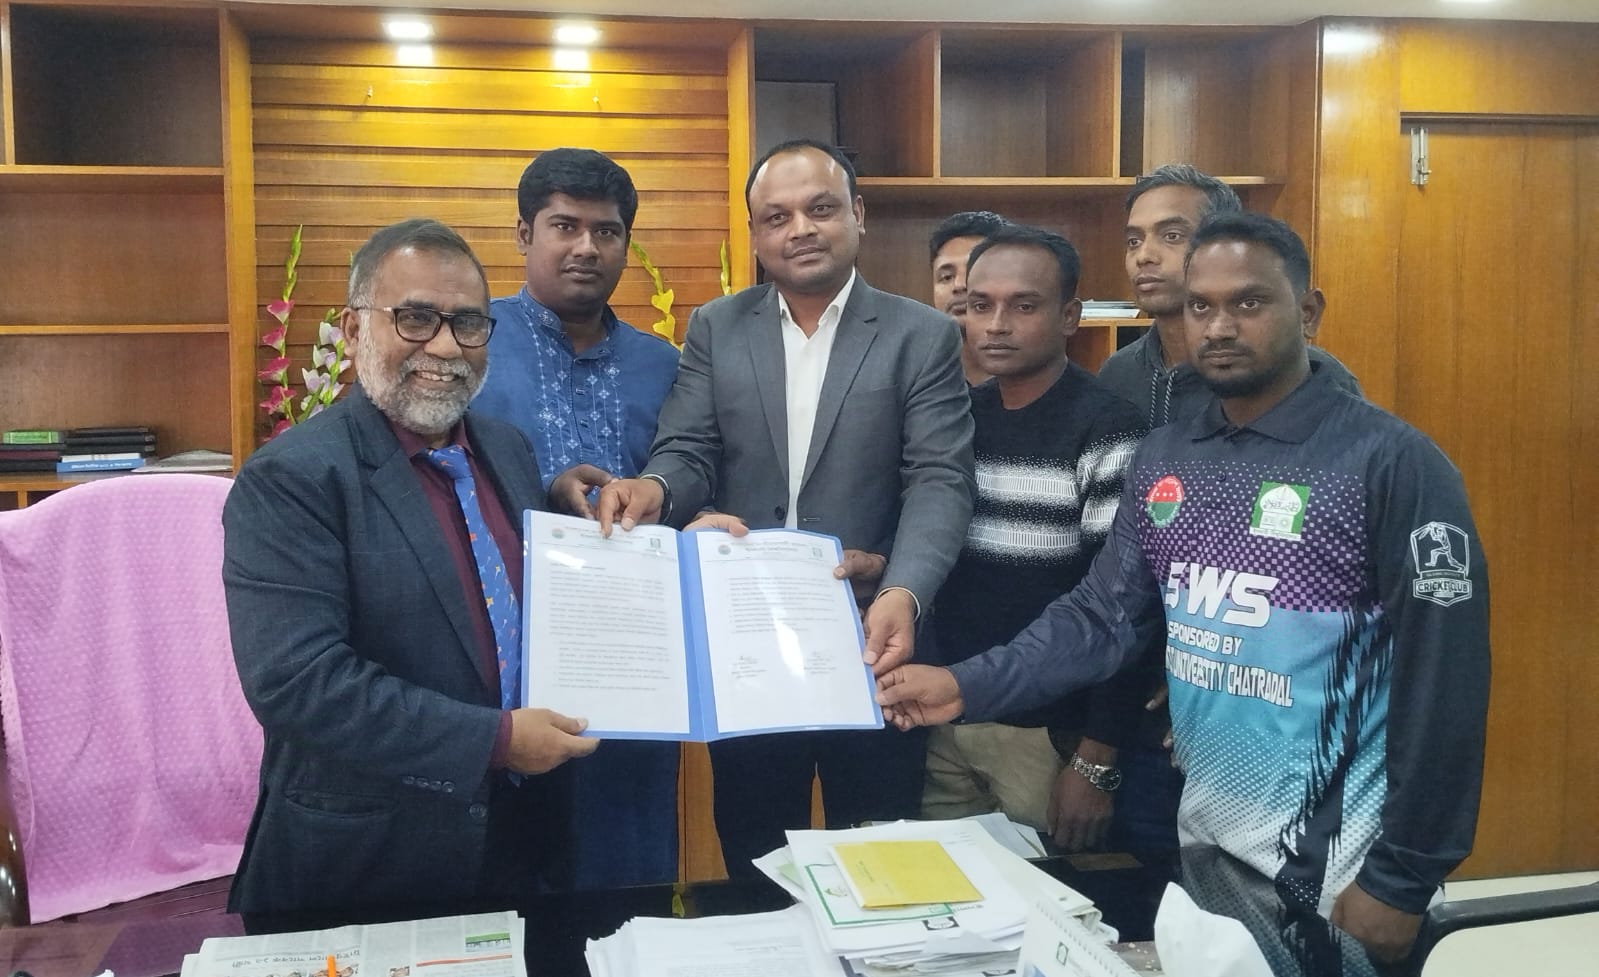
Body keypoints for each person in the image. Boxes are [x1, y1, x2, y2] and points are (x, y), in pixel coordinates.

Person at [878, 213, 1490, 965]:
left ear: (1307, 311)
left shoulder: (1390, 464)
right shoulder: (1169, 456)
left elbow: (1446, 684)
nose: (1219, 326)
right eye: (1201, 306)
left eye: (1248, 302)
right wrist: (963, 684)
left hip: (1338, 867)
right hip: (1203, 845)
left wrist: (1403, 876)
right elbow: (1102, 616)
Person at [597, 139, 976, 874]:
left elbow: (940, 479)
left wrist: (903, 589)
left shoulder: (920, 335)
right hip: (750, 646)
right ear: (755, 234)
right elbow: (689, 449)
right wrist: (657, 489)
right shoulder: (717, 325)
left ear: (857, 214)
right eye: (776, 216)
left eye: (820, 208)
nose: (799, 229)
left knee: (878, 853)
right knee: (755, 855)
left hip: (873, 639)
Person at [224, 219, 598, 920]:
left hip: (522, 848)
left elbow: (515, 596)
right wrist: (496, 741)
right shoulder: (291, 479)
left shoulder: (506, 449)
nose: (446, 347)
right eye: (416, 318)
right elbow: (299, 682)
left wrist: (672, 541)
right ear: (353, 328)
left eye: (467, 323)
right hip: (365, 863)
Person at [922, 224, 1178, 855]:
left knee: (1049, 904)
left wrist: (1096, 756)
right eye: (980, 305)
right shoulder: (959, 418)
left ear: (1069, 316)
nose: (996, 325)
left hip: (1051, 737)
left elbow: (1126, 612)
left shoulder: (1106, 429)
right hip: (948, 718)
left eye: (1023, 306)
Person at [471, 147, 680, 889]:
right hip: (498, 665)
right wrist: (541, 486)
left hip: (634, 661)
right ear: (523, 233)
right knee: (508, 882)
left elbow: (688, 481)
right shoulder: (471, 342)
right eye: (564, 226)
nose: (587, 247)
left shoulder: (664, 365)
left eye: (606, 231)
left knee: (628, 876)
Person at [1098, 164, 1361, 428]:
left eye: (1172, 236)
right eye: (1134, 241)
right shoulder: (1119, 374)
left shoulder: (1309, 377)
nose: (1144, 256)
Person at [928, 210, 1009, 386]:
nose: (959, 285)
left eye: (974, 271)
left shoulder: (1041, 380)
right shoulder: (916, 378)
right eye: (946, 277)